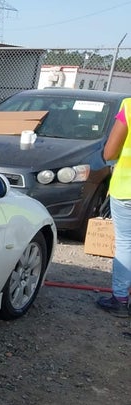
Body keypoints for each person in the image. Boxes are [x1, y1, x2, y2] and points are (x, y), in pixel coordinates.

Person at [97, 96, 131, 317]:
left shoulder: (129, 106)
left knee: (126, 243)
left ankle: (120, 298)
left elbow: (109, 153)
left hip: (127, 189)